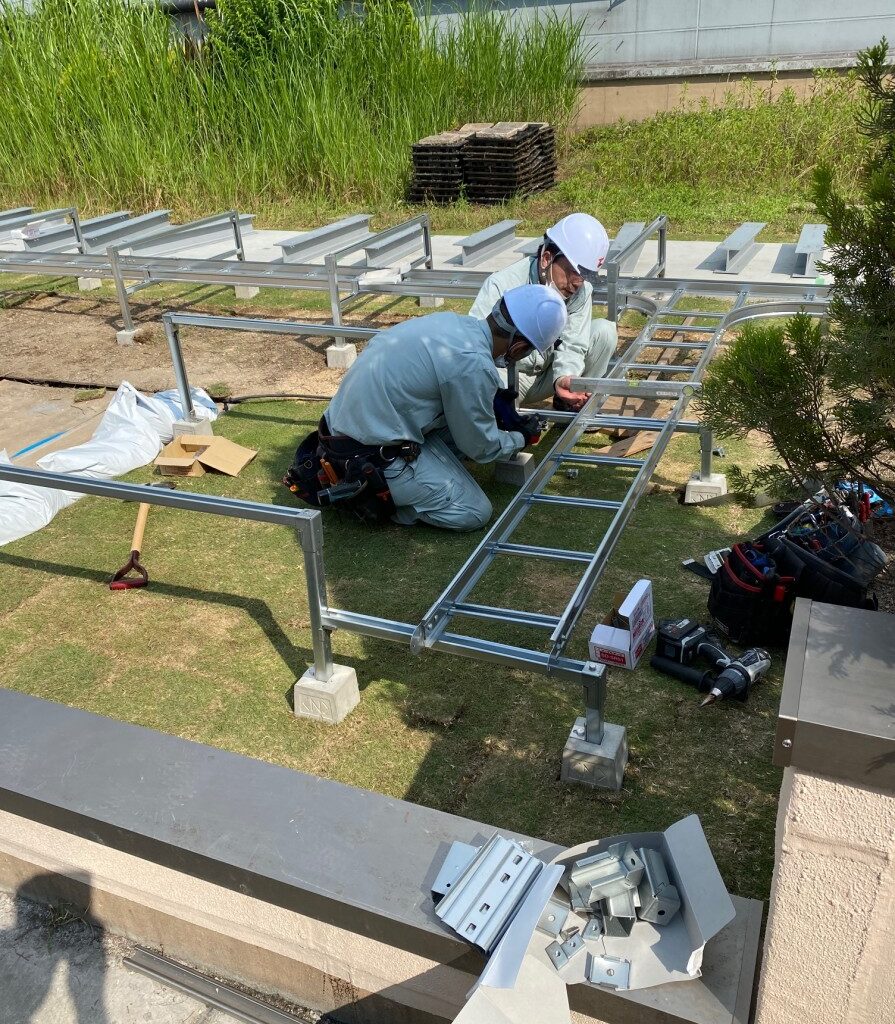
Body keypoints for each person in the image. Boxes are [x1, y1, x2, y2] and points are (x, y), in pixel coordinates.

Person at [288, 284, 567, 531]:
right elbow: (481, 448)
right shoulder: (472, 364)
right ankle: (373, 500)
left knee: (460, 435)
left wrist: (491, 407)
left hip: (338, 432)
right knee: (475, 511)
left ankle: (407, 479)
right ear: (517, 348)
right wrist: (520, 438)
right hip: (369, 456)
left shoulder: (451, 323)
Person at [469, 213, 617, 413]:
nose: (577, 283)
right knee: (481, 384)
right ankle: (499, 414)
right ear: (547, 258)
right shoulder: (502, 285)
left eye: (584, 275)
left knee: (605, 331)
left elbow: (574, 343)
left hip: (549, 374)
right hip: (507, 378)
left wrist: (565, 377)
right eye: (574, 272)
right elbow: (475, 352)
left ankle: (570, 402)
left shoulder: (580, 291)